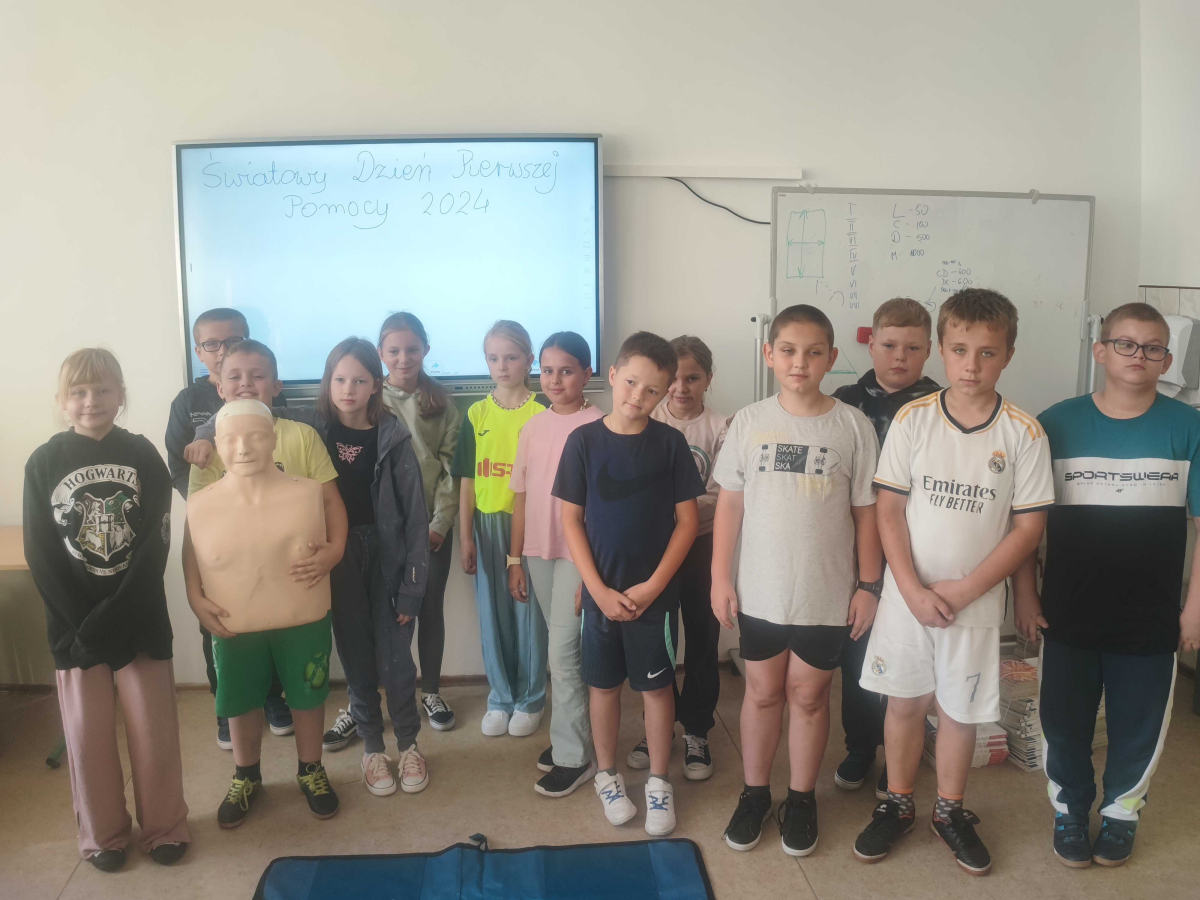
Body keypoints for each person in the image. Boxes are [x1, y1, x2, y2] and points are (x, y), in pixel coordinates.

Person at [853, 288, 1053, 876]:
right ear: (941, 348)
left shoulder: (1023, 433)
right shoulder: (914, 419)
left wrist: (965, 591)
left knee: (960, 712)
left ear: (1008, 355)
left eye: (987, 353)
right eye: (960, 350)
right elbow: (889, 510)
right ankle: (897, 803)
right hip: (907, 599)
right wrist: (912, 590)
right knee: (904, 704)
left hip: (974, 603)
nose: (971, 365)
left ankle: (949, 810)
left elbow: (1027, 529)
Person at [190, 338, 432, 797]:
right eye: (339, 379)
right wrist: (204, 435)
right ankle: (372, 749)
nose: (348, 389)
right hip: (335, 557)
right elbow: (243, 416)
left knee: (396, 658)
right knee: (355, 656)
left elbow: (415, 517)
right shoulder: (310, 422)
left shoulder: (393, 436)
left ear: (376, 385)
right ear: (326, 382)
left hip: (386, 555)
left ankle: (409, 744)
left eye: (359, 380)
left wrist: (413, 587)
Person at [1015, 302, 1200, 868]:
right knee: (1063, 722)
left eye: (1153, 347)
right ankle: (1070, 810)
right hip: (1067, 609)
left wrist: (1195, 607)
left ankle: (1122, 813)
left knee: (1138, 725)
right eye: (1125, 343)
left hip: (1151, 615)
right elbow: (1024, 523)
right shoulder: (1055, 423)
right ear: (1100, 351)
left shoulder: (1189, 426)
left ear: (1166, 359)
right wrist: (1025, 593)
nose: (1138, 356)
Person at [714, 305, 882, 858]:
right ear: (769, 354)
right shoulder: (749, 422)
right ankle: (755, 794)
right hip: (761, 591)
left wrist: (869, 586)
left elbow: (866, 514)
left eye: (813, 353)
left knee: (809, 697)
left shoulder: (852, 426)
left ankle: (802, 798)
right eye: (788, 350)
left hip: (826, 594)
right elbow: (730, 506)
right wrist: (719, 577)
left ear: (831, 359)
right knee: (762, 693)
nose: (800, 362)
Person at [24, 349, 189, 872]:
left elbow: (154, 544)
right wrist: (87, 625)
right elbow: (41, 553)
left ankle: (164, 827)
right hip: (75, 628)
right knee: (87, 737)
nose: (91, 401)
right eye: (78, 392)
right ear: (61, 400)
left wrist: (115, 617)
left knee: (153, 731)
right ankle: (103, 836)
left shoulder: (142, 454)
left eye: (102, 390)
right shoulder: (43, 462)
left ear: (121, 395)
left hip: (139, 619)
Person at [181, 339, 349, 827]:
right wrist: (193, 594)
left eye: (257, 375)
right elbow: (195, 535)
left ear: (272, 439)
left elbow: (332, 503)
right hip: (234, 607)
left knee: (308, 689)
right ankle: (246, 773)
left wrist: (335, 550)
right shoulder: (208, 463)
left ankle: (311, 768)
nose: (243, 448)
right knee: (238, 694)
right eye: (235, 375)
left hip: (301, 598)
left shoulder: (302, 445)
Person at [554, 331, 705, 837]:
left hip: (653, 600)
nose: (639, 396)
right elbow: (571, 520)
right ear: (614, 376)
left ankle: (659, 781)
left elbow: (687, 523)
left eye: (653, 390)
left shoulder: (670, 444)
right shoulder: (582, 442)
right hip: (599, 598)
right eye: (632, 383)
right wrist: (596, 590)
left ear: (665, 393)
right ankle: (607, 775)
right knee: (603, 687)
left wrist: (653, 587)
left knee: (657, 689)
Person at [164, 306, 291, 749]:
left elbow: (283, 451)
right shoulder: (188, 402)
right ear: (199, 352)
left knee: (270, 611)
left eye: (233, 341)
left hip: (269, 528)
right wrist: (217, 509)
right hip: (217, 532)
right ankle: (227, 706)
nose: (223, 351)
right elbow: (179, 468)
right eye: (212, 344)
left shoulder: (266, 394)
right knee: (218, 620)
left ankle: (273, 699)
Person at [830, 298, 940, 797]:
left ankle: (901, 752)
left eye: (912, 348)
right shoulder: (844, 401)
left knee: (906, 661)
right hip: (853, 552)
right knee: (857, 654)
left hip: (916, 553)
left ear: (929, 350)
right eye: (890, 345)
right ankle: (860, 746)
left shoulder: (941, 405)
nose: (900, 356)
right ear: (871, 344)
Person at [624, 335, 729, 781]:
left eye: (693, 378)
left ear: (708, 379)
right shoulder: (648, 417)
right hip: (655, 548)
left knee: (703, 638)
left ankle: (697, 728)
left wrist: (680, 511)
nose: (681, 388)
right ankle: (659, 728)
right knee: (659, 639)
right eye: (675, 379)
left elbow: (721, 494)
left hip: (702, 545)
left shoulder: (722, 428)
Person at [508, 331, 605, 797]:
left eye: (566, 370)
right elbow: (520, 496)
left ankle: (575, 757)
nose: (555, 380)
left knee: (563, 654)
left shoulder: (600, 425)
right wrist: (515, 558)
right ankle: (574, 734)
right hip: (537, 551)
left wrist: (594, 575)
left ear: (587, 373)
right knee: (560, 650)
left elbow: (604, 508)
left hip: (578, 553)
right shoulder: (533, 425)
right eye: (547, 370)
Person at [451, 320, 548, 737]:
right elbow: (467, 480)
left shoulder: (542, 412)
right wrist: (465, 536)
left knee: (528, 613)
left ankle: (531, 698)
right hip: (487, 525)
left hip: (529, 526)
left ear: (529, 360)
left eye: (511, 357)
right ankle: (501, 697)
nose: (502, 366)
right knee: (492, 615)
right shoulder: (476, 413)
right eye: (494, 358)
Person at [377, 312, 461, 732]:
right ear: (381, 353)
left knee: (429, 608)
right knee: (387, 613)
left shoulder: (441, 403)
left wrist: (440, 523)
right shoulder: (370, 398)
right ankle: (380, 695)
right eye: (394, 350)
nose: (403, 358)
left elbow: (452, 468)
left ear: (425, 350)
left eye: (412, 349)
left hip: (430, 528)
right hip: (385, 529)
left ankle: (431, 690)